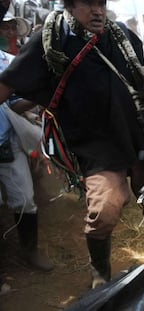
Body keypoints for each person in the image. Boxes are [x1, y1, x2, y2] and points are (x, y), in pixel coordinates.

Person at [0, 0, 144, 289]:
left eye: (102, 3)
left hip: (136, 136)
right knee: (105, 208)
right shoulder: (49, 42)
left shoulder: (123, 36)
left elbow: (140, 75)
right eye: (88, 3)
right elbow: (6, 86)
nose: (97, 10)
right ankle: (100, 274)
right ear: (69, 6)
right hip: (95, 147)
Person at [0, 43, 54, 273]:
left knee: (24, 200)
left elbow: (15, 104)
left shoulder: (5, 61)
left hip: (6, 144)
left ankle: (29, 250)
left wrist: (41, 94)